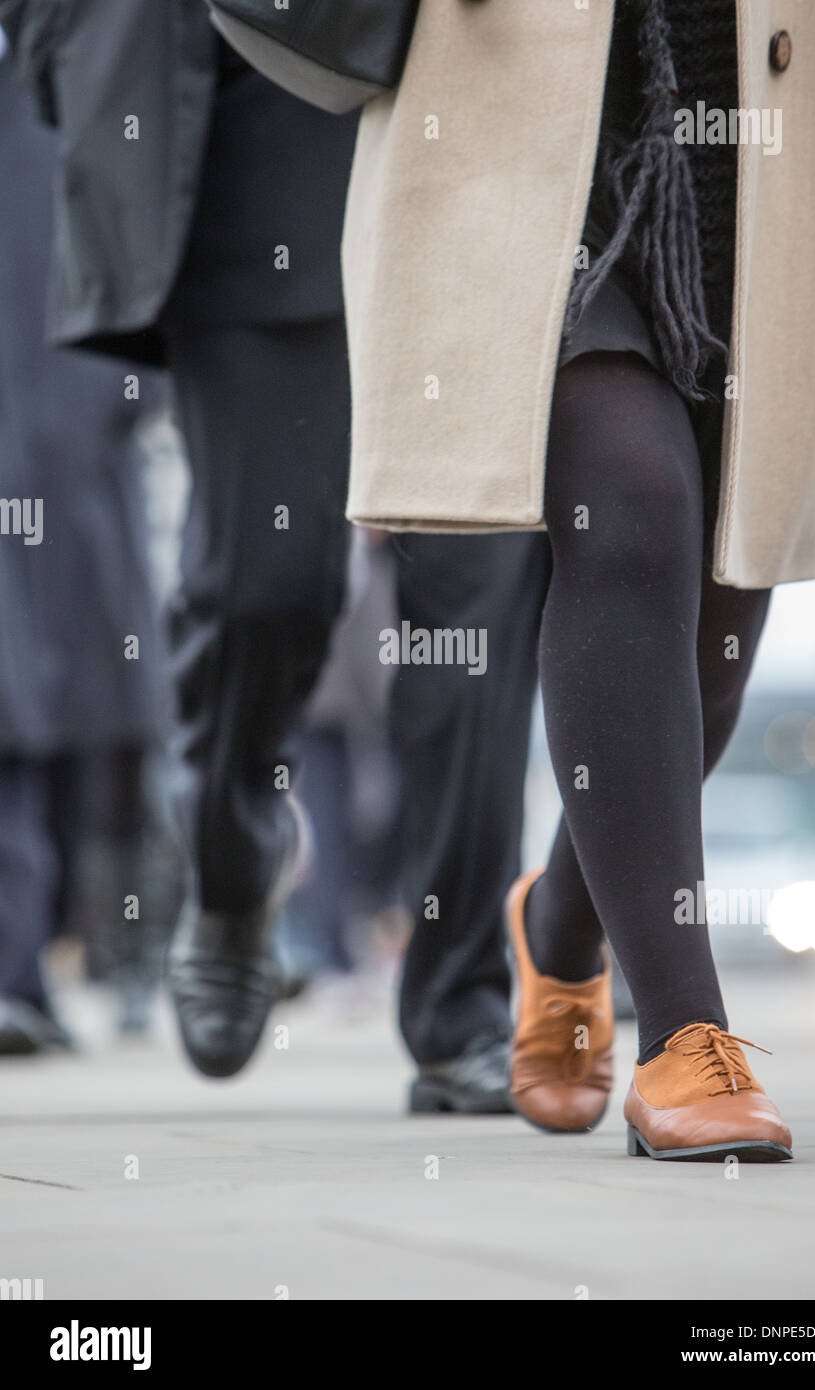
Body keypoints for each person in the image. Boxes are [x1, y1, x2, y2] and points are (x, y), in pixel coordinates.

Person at [335, 0, 815, 1158]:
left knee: (713, 645)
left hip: (767, 138)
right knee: (632, 507)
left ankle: (560, 920)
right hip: (517, 134)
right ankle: (686, 1038)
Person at [0, 0, 550, 1108]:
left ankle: (461, 1002)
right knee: (261, 587)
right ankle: (234, 851)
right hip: (238, 140)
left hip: (462, 116)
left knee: (471, 601)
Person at [0, 47, 169, 1050]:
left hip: (75, 466)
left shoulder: (81, 81)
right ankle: (21, 972)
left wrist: (119, 406)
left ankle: (113, 956)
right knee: (19, 725)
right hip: (44, 461)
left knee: (100, 741)